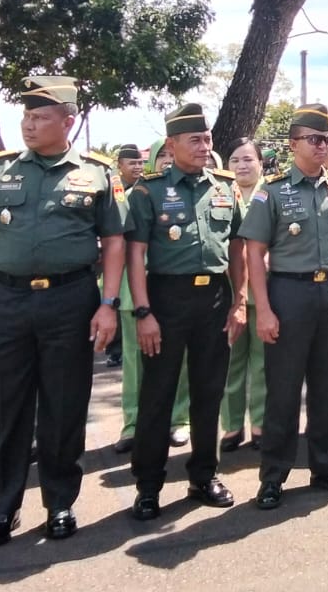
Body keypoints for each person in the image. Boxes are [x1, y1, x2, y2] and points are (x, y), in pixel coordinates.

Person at [0, 75, 125, 548]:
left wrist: (108, 304)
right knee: (5, 408)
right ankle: (2, 509)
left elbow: (113, 242)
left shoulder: (96, 173)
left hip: (71, 300)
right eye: (26, 116)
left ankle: (60, 503)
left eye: (40, 116)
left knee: (64, 405)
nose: (29, 125)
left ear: (67, 121)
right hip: (6, 301)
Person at [240, 104, 328, 510]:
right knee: (283, 389)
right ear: (294, 143)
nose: (322, 146)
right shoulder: (272, 190)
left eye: (326, 139)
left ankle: (326, 467)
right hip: (289, 293)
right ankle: (274, 475)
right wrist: (263, 308)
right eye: (314, 140)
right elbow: (254, 252)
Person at [125, 104, 246, 521]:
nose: (204, 146)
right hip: (165, 298)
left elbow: (237, 249)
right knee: (157, 396)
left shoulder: (226, 188)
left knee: (209, 393)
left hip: (213, 298)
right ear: (172, 144)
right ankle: (148, 485)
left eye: (208, 139)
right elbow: (135, 254)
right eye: (194, 139)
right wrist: (143, 311)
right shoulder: (148, 191)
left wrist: (240, 300)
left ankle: (204, 476)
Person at [113, 139, 190, 454]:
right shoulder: (132, 196)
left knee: (180, 361)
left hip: (173, 293)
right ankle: (132, 423)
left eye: (173, 155)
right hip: (135, 293)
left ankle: (178, 420)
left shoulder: (187, 195)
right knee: (134, 363)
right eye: (163, 156)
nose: (168, 161)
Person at [220, 136, 266, 453]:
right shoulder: (220, 194)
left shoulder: (273, 193)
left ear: (260, 163)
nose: (241, 165)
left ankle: (261, 424)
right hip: (229, 291)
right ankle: (232, 425)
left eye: (248, 159)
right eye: (235, 160)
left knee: (264, 363)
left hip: (266, 291)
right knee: (231, 362)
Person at [105, 145, 144, 369]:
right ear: (120, 165)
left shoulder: (145, 186)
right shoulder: (114, 186)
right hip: (117, 255)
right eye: (132, 163)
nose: (137, 167)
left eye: (139, 163)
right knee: (118, 305)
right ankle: (114, 350)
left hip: (137, 255)